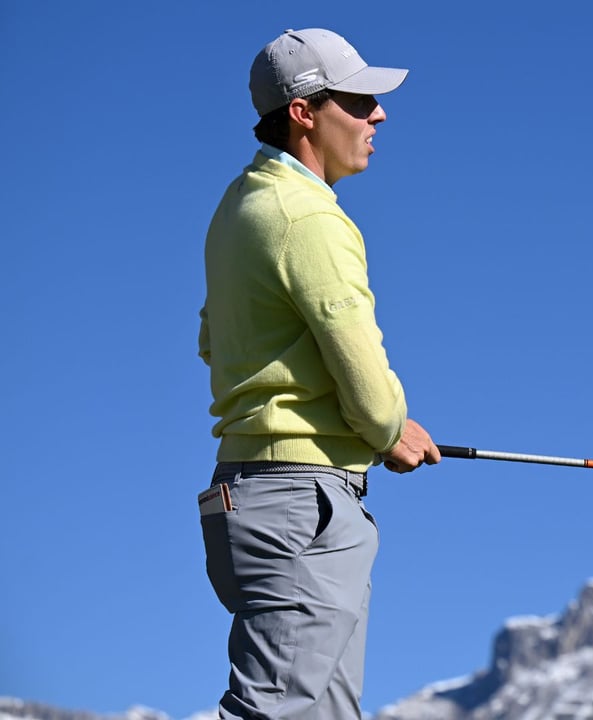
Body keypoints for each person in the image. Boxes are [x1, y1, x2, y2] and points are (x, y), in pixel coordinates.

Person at [197, 28, 441, 719]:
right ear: (304, 111)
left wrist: (378, 427)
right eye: (360, 101)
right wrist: (388, 428)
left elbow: (213, 343)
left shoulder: (239, 207)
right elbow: (368, 388)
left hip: (255, 495)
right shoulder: (310, 217)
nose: (379, 116)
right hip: (302, 505)